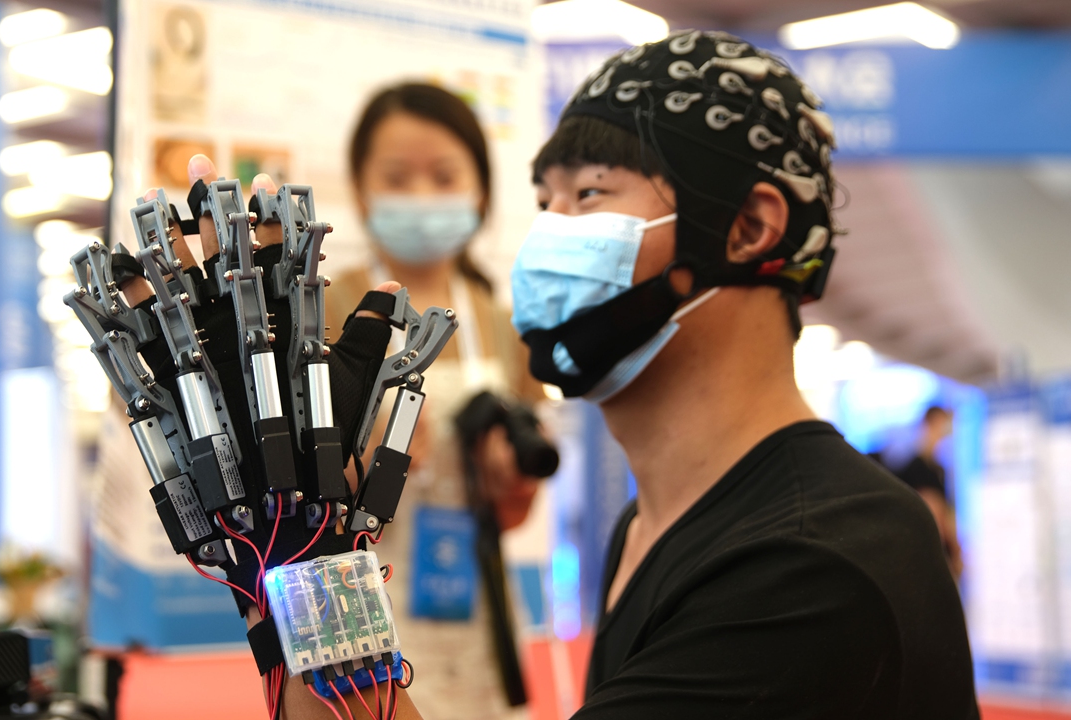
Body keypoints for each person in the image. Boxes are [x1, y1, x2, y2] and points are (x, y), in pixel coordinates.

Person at [274, 31, 978, 718]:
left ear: (747, 228)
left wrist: (306, 567)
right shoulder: (647, 528)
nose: (549, 233)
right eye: (545, 202)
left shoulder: (815, 561)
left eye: (589, 194)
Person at [323, 82, 546, 720]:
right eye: (398, 176)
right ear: (363, 190)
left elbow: (514, 514)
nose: (422, 195)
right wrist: (364, 463)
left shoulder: (502, 324)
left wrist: (509, 478)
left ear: (478, 190)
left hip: (479, 605)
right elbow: (295, 498)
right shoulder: (330, 309)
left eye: (443, 175)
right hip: (362, 599)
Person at [896, 405, 963, 578]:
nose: (945, 432)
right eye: (942, 424)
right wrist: (955, 550)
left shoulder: (938, 469)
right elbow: (937, 510)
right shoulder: (914, 468)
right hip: (929, 554)